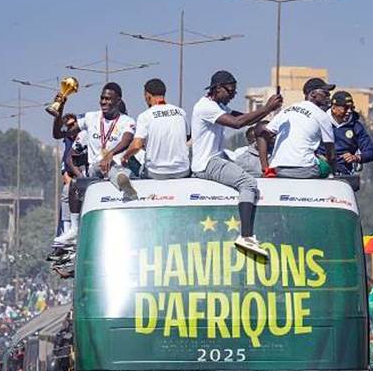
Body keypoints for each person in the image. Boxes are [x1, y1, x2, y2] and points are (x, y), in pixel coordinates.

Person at [191, 70, 282, 257]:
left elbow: (246, 118)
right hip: (207, 163)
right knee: (248, 183)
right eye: (230, 90)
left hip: (219, 157)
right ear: (217, 88)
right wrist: (266, 108)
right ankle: (246, 236)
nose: (233, 95)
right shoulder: (205, 107)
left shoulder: (219, 106)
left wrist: (270, 116)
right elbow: (237, 123)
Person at [53, 82, 138, 247]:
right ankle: (74, 230)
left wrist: (110, 154)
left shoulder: (127, 121)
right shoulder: (91, 117)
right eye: (102, 98)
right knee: (73, 185)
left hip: (116, 165)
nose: (104, 102)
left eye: (108, 99)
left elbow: (127, 140)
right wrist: (60, 109)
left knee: (116, 169)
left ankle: (124, 184)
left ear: (118, 100)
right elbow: (58, 134)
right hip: (95, 172)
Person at [255, 77, 336, 179]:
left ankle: (267, 171)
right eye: (325, 93)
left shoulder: (287, 110)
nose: (329, 96)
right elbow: (331, 154)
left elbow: (262, 133)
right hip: (306, 169)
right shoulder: (322, 115)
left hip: (278, 169)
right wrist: (332, 172)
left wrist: (265, 168)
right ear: (313, 94)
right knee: (325, 166)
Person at [121, 78, 191, 179]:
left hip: (156, 173)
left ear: (147, 95)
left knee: (131, 160)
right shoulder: (181, 112)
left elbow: (136, 146)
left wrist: (125, 157)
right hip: (182, 171)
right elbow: (187, 138)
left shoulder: (145, 116)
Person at [319, 91, 373, 175]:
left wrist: (356, 158)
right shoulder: (320, 121)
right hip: (320, 170)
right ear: (334, 108)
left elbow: (371, 152)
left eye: (351, 108)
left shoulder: (356, 126)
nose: (349, 111)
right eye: (345, 108)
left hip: (343, 173)